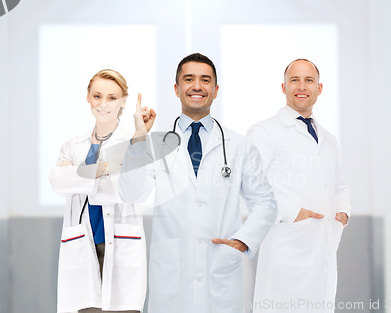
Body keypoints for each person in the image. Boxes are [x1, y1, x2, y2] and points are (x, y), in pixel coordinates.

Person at [118, 53, 277, 313]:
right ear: (176, 88)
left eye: (205, 80)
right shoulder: (153, 143)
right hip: (172, 275)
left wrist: (242, 241)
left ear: (215, 90)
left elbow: (266, 202)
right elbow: (130, 193)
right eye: (188, 79)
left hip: (221, 274)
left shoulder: (238, 146)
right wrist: (138, 138)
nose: (197, 86)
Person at [247, 59, 351, 312]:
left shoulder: (328, 139)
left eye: (309, 80)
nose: (301, 86)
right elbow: (249, 184)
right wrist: (293, 214)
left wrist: (343, 213)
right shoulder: (264, 131)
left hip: (323, 251)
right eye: (294, 80)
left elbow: (339, 187)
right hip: (287, 252)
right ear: (283, 87)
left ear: (320, 88)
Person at [49, 69, 151, 313]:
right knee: (85, 306)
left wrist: (82, 177)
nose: (103, 103)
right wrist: (107, 168)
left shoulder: (136, 142)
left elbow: (133, 190)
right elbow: (57, 181)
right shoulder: (72, 145)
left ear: (124, 101)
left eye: (112, 97)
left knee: (121, 307)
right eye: (97, 96)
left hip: (120, 243)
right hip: (82, 242)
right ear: (88, 97)